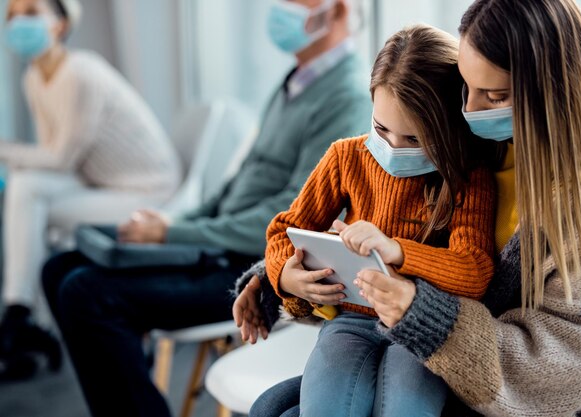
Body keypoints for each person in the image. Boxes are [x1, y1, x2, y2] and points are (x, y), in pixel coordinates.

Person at [235, 0, 581, 415]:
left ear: (551, 90)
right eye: (465, 89)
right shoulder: (484, 145)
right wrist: (280, 274)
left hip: (524, 394)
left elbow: (564, 369)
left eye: (494, 95)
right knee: (272, 406)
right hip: (435, 349)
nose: (469, 112)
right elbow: (393, 230)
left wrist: (424, 315)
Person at [42, 0, 372, 416]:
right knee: (58, 268)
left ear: (338, 10)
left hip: (248, 265)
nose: (278, 8)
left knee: (86, 293)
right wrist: (174, 222)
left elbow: (292, 216)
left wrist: (173, 235)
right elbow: (239, 184)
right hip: (215, 246)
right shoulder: (298, 80)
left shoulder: (346, 94)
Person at [262, 23, 501, 417]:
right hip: (350, 322)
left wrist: (396, 251)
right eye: (381, 128)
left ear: (449, 130)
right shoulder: (346, 157)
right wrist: (286, 279)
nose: (391, 148)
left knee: (407, 408)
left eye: (413, 140)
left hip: (421, 328)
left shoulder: (466, 175)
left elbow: (474, 271)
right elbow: (281, 233)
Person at [0, 0, 181, 380]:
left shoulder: (81, 73)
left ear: (61, 24)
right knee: (27, 190)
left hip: (147, 191)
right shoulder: (33, 78)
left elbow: (60, 157)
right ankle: (25, 317)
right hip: (100, 182)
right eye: (12, 15)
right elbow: (49, 158)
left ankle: (23, 317)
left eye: (31, 12)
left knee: (30, 199)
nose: (18, 22)